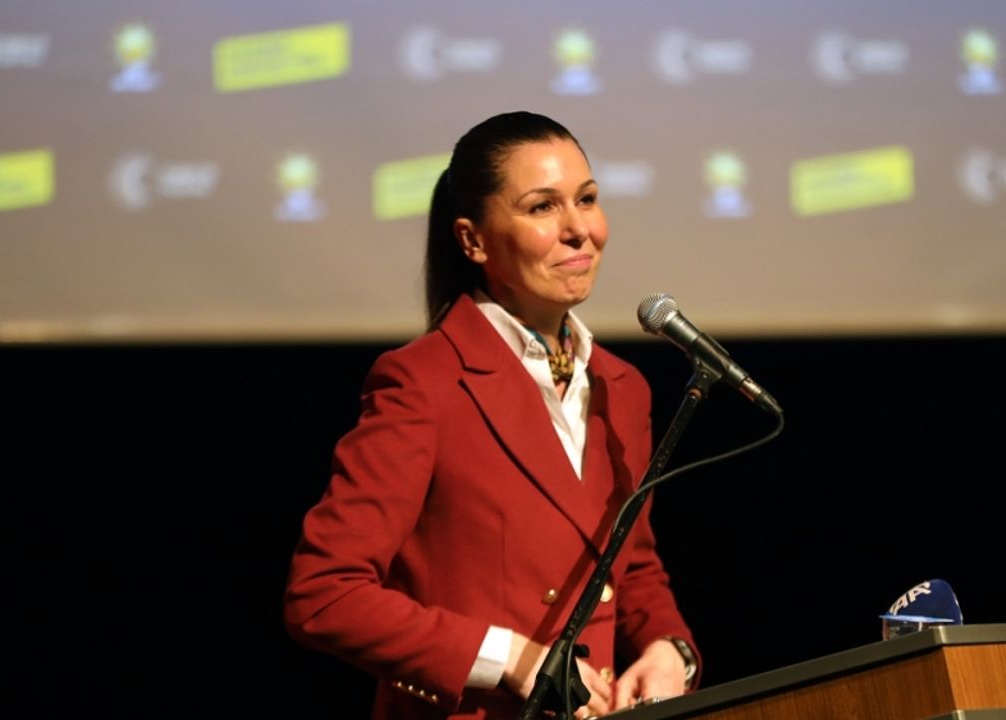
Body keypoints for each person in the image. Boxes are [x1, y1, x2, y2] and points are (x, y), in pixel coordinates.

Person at [284, 111, 699, 720]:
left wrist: (669, 648)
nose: (580, 229)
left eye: (587, 199)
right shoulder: (424, 382)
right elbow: (324, 594)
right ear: (472, 240)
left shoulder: (622, 387)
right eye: (542, 207)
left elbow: (630, 565)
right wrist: (508, 658)